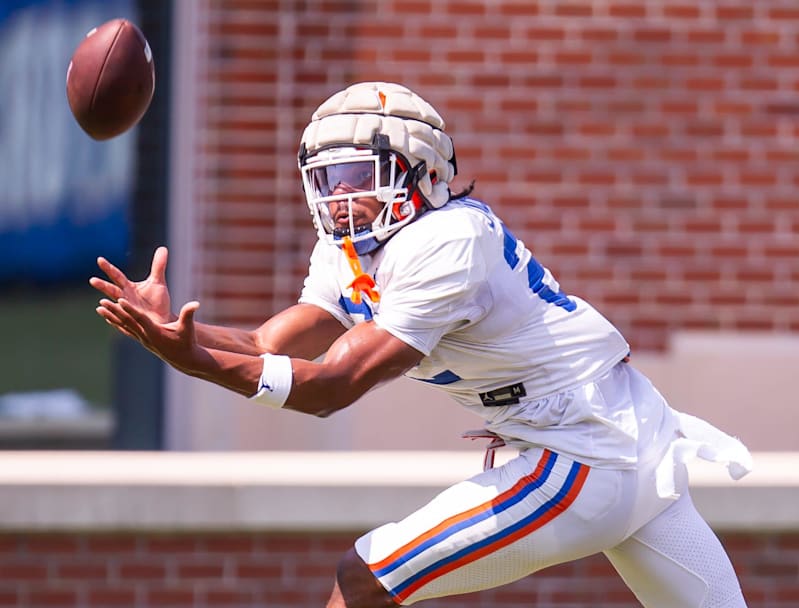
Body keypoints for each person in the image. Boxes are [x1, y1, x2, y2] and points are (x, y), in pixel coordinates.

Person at [91, 82, 753, 608]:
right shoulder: (349, 250)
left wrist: (196, 361)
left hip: (582, 449)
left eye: (357, 175)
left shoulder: (445, 241)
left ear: (420, 172)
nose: (340, 197)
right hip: (617, 431)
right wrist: (176, 331)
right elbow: (271, 341)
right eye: (328, 179)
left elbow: (330, 387)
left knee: (368, 577)